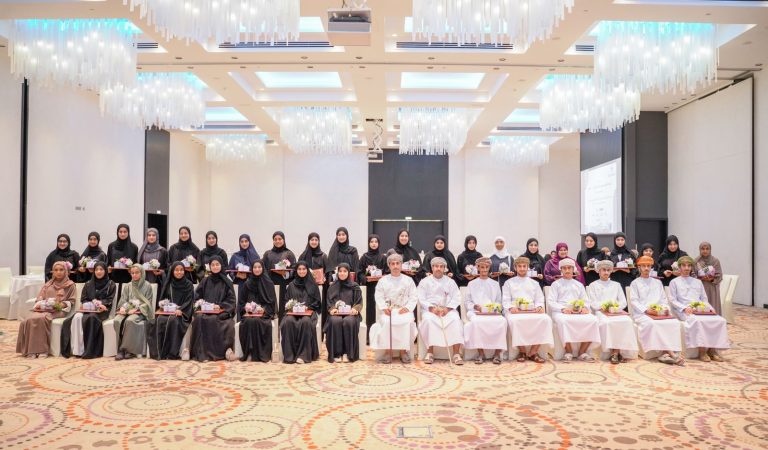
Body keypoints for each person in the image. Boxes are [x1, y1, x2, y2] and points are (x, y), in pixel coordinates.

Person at [669, 256, 730, 362]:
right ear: (679, 267)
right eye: (684, 266)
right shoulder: (674, 282)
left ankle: (712, 350)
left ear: (692, 268)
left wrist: (710, 308)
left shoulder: (697, 282)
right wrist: (684, 308)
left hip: (700, 310)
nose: (687, 268)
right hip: (685, 311)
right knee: (698, 321)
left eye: (689, 266)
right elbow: (673, 300)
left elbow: (704, 299)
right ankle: (702, 351)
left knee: (719, 320)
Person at [629, 256, 684, 365]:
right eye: (643, 266)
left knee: (673, 322)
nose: (646, 268)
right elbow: (634, 301)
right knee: (652, 323)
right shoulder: (635, 283)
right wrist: (647, 310)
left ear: (651, 267)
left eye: (648, 266)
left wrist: (665, 309)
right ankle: (670, 353)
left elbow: (663, 300)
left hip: (659, 313)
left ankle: (666, 354)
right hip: (642, 314)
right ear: (639, 268)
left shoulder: (658, 282)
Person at [16, 261, 76, 357]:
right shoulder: (48, 284)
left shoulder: (70, 285)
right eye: (56, 270)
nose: (58, 272)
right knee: (29, 319)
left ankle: (42, 350)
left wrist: (59, 305)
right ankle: (30, 350)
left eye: (61, 270)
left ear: (66, 271)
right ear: (53, 272)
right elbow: (39, 298)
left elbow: (71, 301)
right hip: (44, 309)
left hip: (59, 311)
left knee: (41, 318)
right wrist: (41, 303)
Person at [547, 258, 601, 362]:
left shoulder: (579, 285)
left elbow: (585, 300)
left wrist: (585, 308)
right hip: (561, 311)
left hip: (578, 311)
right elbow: (551, 302)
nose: (567, 270)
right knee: (564, 321)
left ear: (573, 269)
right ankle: (568, 351)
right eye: (564, 268)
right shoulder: (555, 284)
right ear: (561, 270)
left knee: (594, 320)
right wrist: (563, 309)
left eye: (569, 268)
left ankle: (582, 352)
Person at [501, 256, 553, 364]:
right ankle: (522, 351)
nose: (522, 268)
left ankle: (533, 351)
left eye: (524, 266)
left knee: (546, 319)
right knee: (515, 321)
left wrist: (539, 306)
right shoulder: (509, 283)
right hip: (515, 311)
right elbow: (505, 300)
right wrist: (511, 307)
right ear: (515, 268)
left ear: (527, 267)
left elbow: (539, 298)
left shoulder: (534, 283)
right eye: (519, 266)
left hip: (532, 310)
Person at [370, 253, 419, 364]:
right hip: (388, 311)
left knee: (406, 322)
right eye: (393, 264)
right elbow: (378, 296)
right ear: (389, 265)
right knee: (387, 322)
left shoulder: (408, 280)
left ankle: (403, 352)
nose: (395, 266)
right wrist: (384, 308)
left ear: (401, 265)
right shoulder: (383, 280)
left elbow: (414, 296)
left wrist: (407, 308)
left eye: (397, 263)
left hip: (404, 311)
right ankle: (388, 352)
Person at [587, 260, 638, 364]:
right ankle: (613, 352)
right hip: (601, 312)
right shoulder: (593, 285)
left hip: (616, 311)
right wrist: (604, 307)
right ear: (598, 271)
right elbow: (593, 303)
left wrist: (615, 308)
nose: (606, 272)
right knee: (607, 323)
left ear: (611, 271)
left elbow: (623, 302)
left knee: (627, 321)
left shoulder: (616, 285)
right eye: (603, 270)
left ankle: (617, 352)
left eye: (608, 270)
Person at [61, 261, 116, 358]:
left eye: (101, 269)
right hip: (87, 309)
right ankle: (77, 350)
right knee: (76, 317)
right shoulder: (88, 284)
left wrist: (100, 303)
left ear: (105, 271)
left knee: (91, 318)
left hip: (102, 311)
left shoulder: (111, 284)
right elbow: (83, 299)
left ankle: (89, 350)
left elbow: (109, 299)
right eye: (96, 269)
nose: (98, 272)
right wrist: (91, 303)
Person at [189, 256, 236, 362]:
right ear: (209, 266)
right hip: (205, 311)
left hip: (221, 312)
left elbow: (231, 300)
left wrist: (220, 306)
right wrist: (202, 305)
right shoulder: (205, 281)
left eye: (217, 264)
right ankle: (201, 353)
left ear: (221, 265)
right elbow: (197, 297)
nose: (215, 267)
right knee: (199, 318)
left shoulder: (227, 282)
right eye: (213, 265)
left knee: (213, 319)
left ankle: (216, 353)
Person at [418, 257, 464, 365]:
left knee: (456, 320)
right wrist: (432, 309)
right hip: (430, 310)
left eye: (441, 266)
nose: (438, 268)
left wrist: (447, 309)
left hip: (447, 310)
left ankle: (456, 354)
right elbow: (421, 298)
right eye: (436, 266)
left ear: (444, 268)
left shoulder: (451, 282)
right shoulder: (424, 282)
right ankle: (430, 353)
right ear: (432, 268)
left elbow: (457, 297)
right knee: (428, 320)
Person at [464, 257, 508, 364]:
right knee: (476, 322)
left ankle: (497, 353)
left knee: (502, 321)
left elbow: (499, 301)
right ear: (478, 268)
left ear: (489, 268)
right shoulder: (471, 284)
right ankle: (481, 353)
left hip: (492, 312)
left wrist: (493, 307)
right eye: (482, 267)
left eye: (486, 267)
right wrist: (475, 307)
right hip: (476, 312)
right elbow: (467, 302)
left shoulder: (495, 284)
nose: (484, 270)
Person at [148, 262, 194, 360]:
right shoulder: (169, 284)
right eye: (176, 270)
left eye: (181, 270)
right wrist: (163, 305)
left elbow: (189, 301)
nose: (179, 272)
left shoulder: (189, 284)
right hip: (168, 311)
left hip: (182, 313)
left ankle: (171, 353)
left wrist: (181, 310)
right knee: (159, 319)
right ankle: (159, 352)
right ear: (172, 271)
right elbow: (164, 298)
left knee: (173, 320)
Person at [280, 261, 321, 364]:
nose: (302, 271)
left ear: (307, 270)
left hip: (308, 314)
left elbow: (317, 302)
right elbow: (286, 301)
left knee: (305, 322)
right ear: (296, 271)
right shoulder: (291, 285)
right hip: (293, 313)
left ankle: (303, 355)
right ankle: (290, 355)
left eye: (304, 269)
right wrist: (291, 307)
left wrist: (308, 307)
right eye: (299, 269)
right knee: (288, 321)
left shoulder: (313, 285)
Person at [237, 260, 276, 363]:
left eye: (259, 267)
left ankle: (259, 353)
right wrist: (246, 308)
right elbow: (241, 302)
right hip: (249, 314)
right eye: (255, 267)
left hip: (264, 315)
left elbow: (272, 303)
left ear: (263, 268)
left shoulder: (269, 283)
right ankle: (248, 352)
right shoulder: (247, 284)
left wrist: (264, 310)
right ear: (252, 269)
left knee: (256, 321)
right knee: (248, 321)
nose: (257, 269)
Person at [114, 264, 154, 360]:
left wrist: (137, 309)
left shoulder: (147, 286)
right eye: (132, 273)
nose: (134, 275)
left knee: (130, 321)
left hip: (140, 312)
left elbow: (148, 302)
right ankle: (120, 348)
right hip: (127, 311)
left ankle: (126, 350)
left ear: (142, 273)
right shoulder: (128, 286)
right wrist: (122, 308)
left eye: (137, 273)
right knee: (117, 320)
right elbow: (123, 300)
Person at [324, 263, 363, 363]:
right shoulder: (332, 287)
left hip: (351, 314)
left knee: (348, 321)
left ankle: (347, 353)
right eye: (340, 271)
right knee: (335, 321)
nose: (342, 273)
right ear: (337, 273)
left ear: (348, 272)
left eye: (345, 271)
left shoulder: (355, 286)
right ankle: (336, 353)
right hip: (336, 314)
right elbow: (329, 302)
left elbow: (359, 302)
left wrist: (355, 309)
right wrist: (332, 309)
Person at [357, 234, 388, 344]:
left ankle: (380, 336)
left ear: (379, 243)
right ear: (369, 243)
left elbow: (387, 272)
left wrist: (381, 277)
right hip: (369, 289)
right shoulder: (364, 257)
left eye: (376, 242)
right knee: (369, 312)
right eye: (371, 242)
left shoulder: (383, 258)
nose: (374, 244)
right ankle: (368, 337)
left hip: (380, 289)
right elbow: (359, 272)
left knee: (380, 311)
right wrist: (365, 278)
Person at [299, 232, 331, 329]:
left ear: (319, 241)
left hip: (320, 288)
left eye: (316, 240)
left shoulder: (323, 256)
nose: (314, 242)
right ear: (308, 241)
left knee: (320, 311)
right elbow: (298, 271)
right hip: (306, 289)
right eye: (312, 240)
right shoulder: (303, 256)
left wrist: (325, 278)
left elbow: (328, 272)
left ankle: (320, 332)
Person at [262, 231, 297, 319]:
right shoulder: (267, 254)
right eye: (275, 239)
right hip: (269, 285)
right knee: (271, 308)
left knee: (282, 307)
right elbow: (262, 269)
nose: (277, 241)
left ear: (283, 240)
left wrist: (285, 274)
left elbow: (294, 269)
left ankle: (282, 325)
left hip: (284, 285)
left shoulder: (289, 253)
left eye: (280, 239)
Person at [695, 242, 724, 315]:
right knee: (701, 308)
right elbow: (692, 274)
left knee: (713, 306)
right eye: (703, 249)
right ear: (700, 250)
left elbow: (719, 276)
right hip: (700, 287)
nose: (705, 251)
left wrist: (711, 279)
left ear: (710, 250)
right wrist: (699, 277)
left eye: (707, 249)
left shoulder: (715, 261)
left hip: (712, 287)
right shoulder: (696, 261)